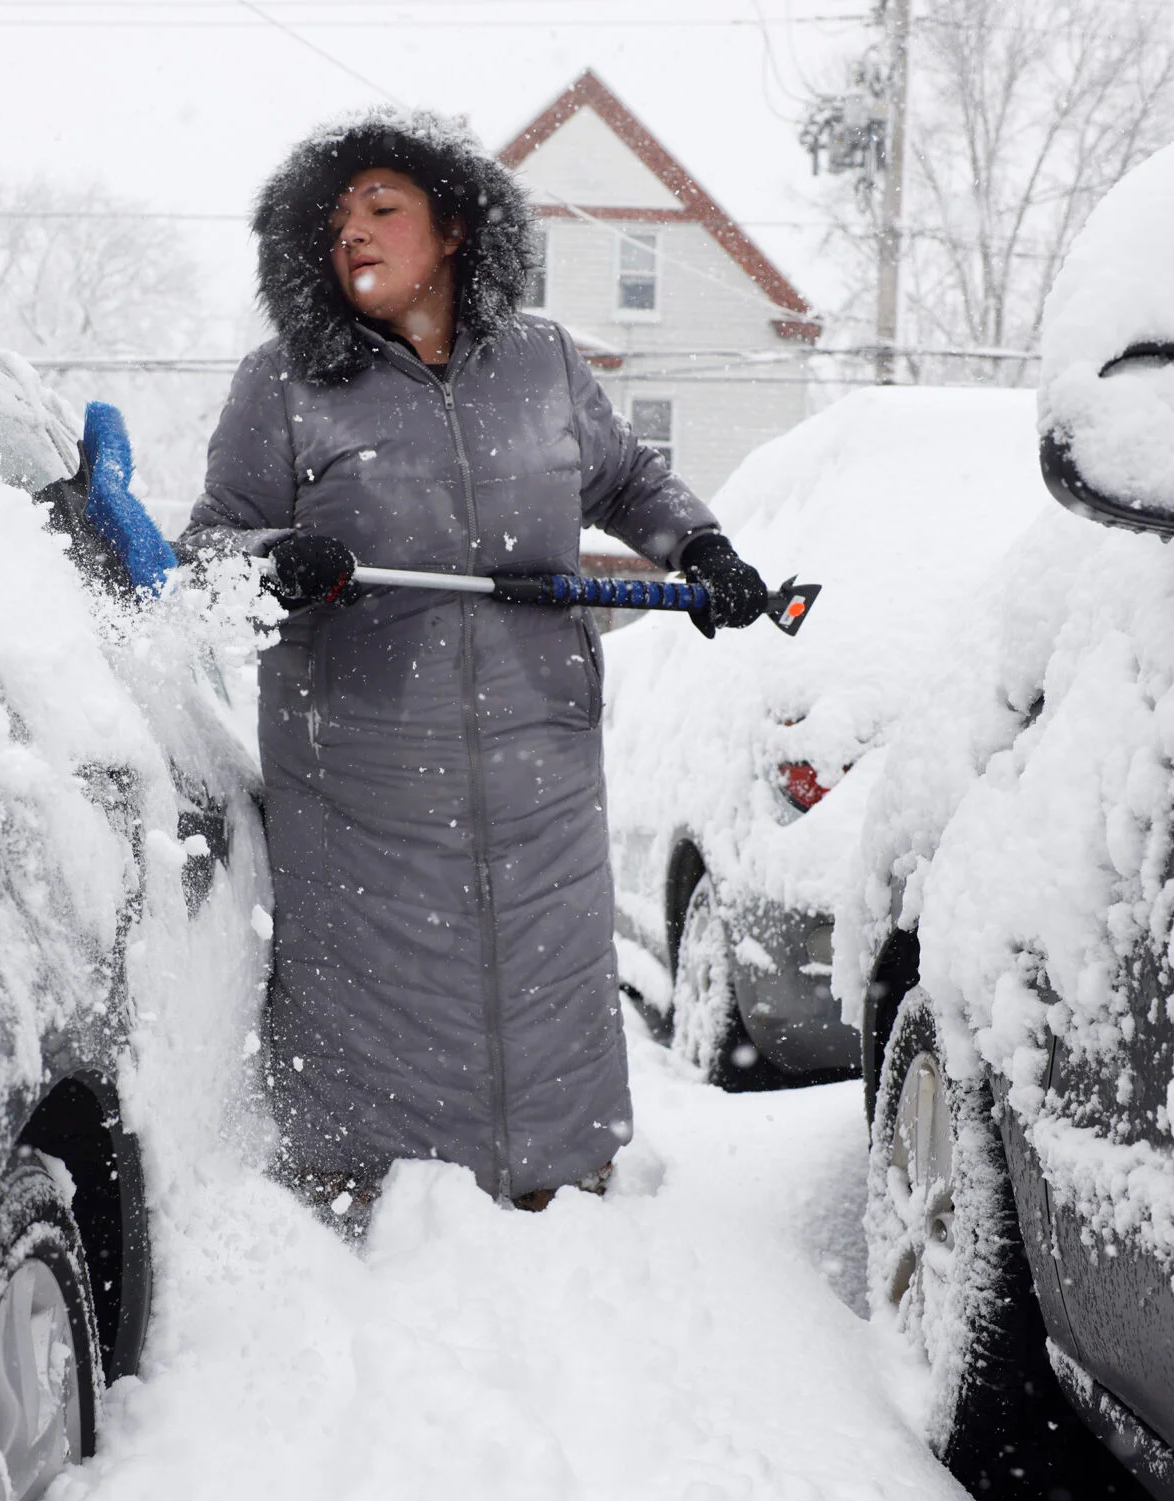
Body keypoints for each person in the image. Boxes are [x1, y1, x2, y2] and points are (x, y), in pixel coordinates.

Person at [181, 108, 770, 1220]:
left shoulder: (539, 361)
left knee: (545, 967)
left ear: (453, 228)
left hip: (537, 749)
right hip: (360, 767)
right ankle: (373, 1194)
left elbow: (627, 479)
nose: (351, 231)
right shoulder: (285, 384)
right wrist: (277, 560)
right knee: (375, 986)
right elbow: (207, 548)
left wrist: (703, 549)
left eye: (381, 207)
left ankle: (561, 1178)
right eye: (335, 218)